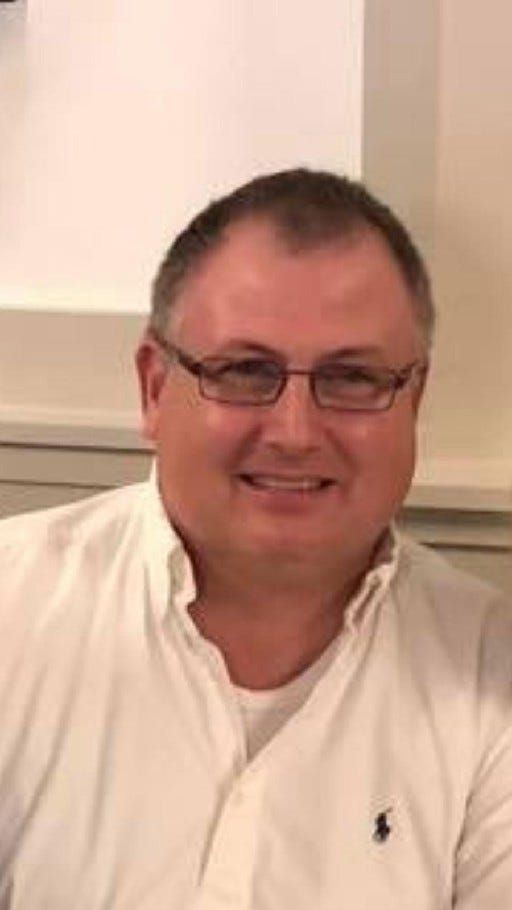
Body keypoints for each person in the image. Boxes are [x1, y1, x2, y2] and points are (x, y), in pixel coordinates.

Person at [0, 168, 511, 909]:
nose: (295, 432)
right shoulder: (12, 611)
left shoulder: (493, 675)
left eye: (354, 377)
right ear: (153, 387)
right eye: (244, 370)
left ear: (413, 400)